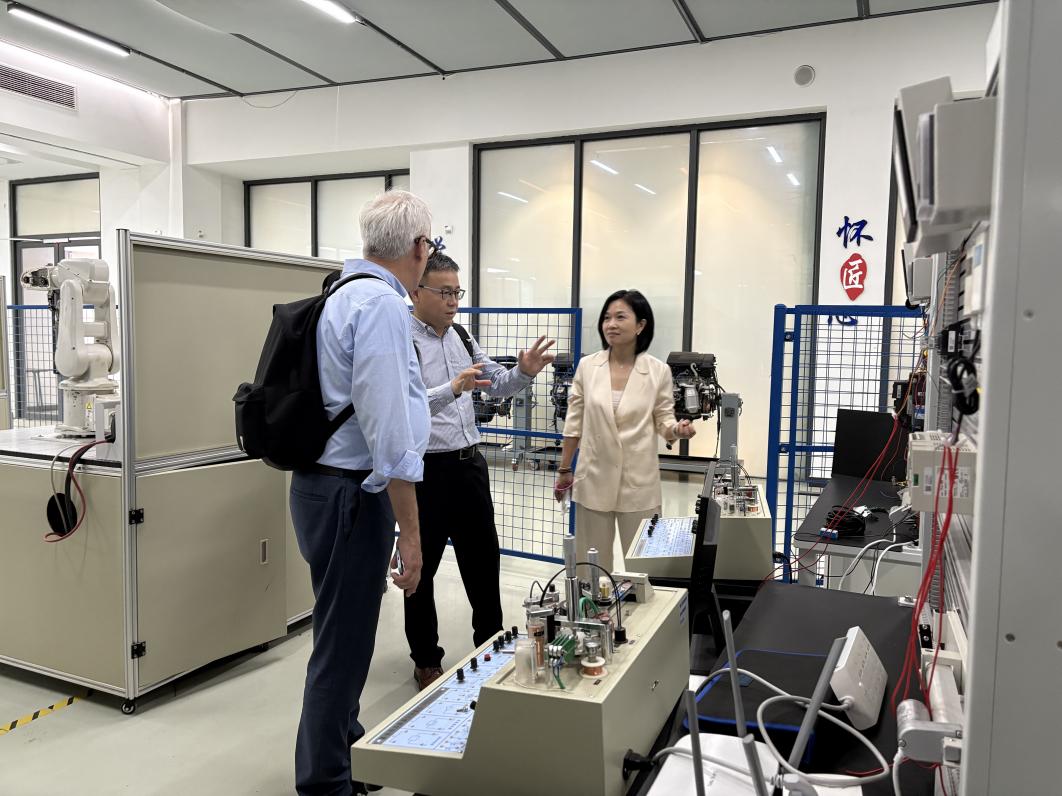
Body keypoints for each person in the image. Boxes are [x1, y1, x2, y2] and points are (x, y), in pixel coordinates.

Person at [291, 190, 432, 796]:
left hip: (320, 487)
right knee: (342, 646)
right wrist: (412, 534)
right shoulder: (381, 305)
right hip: (352, 495)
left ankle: (345, 750)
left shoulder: (340, 293)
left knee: (341, 631)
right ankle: (325, 782)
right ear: (420, 248)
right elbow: (389, 432)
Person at [406, 251, 555, 690]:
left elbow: (495, 382)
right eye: (444, 292)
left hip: (469, 467)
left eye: (457, 292)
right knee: (420, 571)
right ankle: (425, 659)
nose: (453, 301)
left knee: (484, 563)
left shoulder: (461, 336)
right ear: (416, 291)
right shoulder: (402, 341)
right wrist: (453, 388)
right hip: (425, 473)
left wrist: (523, 372)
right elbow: (405, 404)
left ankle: (490, 646)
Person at [553, 289, 696, 578]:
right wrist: (565, 469)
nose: (611, 324)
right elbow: (574, 423)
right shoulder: (587, 367)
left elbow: (663, 420)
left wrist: (677, 430)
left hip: (638, 482)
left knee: (646, 566)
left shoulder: (658, 371)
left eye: (620, 317)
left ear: (640, 325)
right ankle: (593, 605)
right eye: (607, 318)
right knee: (590, 569)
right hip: (593, 478)